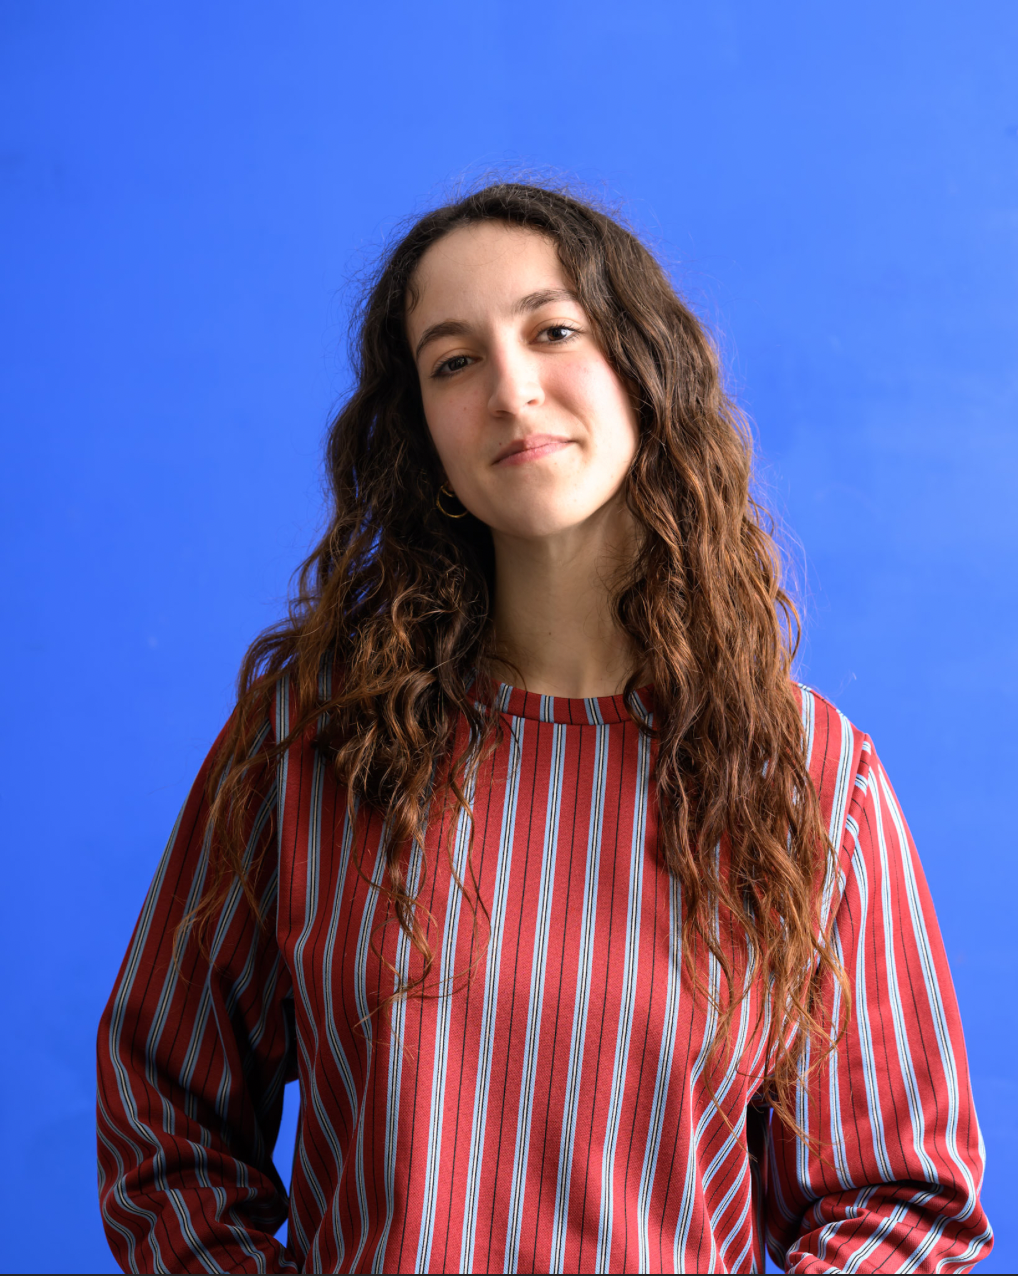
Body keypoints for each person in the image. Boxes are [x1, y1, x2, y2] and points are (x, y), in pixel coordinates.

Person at [96, 182, 992, 1274]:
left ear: (643, 367)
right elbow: (161, 1114)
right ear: (421, 433)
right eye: (453, 361)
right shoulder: (310, 741)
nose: (512, 390)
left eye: (553, 331)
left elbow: (901, 1199)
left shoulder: (808, 776)